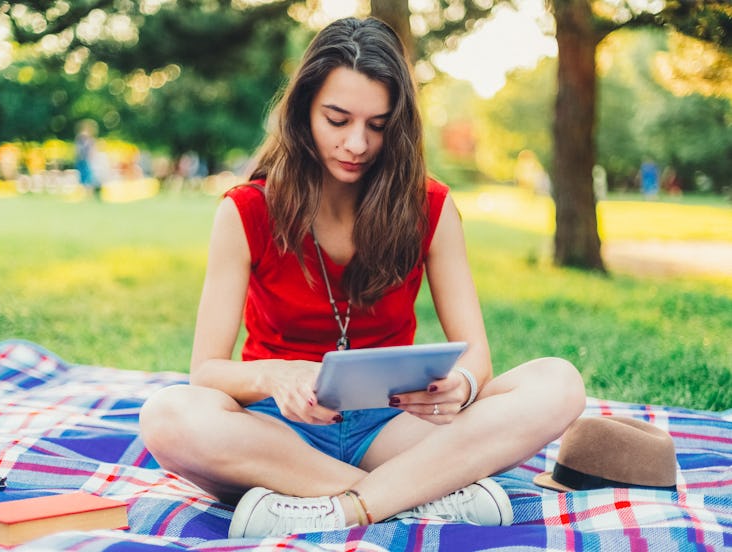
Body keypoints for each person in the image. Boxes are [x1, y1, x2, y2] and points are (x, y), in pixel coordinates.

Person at [139, 17, 586, 539]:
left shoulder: (431, 207)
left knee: (558, 383)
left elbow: (477, 359)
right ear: (304, 109)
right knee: (167, 415)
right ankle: (420, 495)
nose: (356, 143)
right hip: (281, 433)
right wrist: (274, 376)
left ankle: (342, 507)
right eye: (337, 119)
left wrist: (460, 386)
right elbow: (207, 371)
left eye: (377, 125)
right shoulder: (246, 211)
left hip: (395, 426)